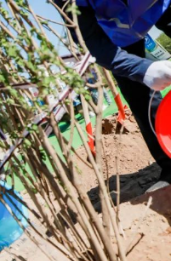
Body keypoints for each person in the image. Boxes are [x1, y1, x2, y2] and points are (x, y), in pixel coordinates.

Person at [56, 0, 171, 192]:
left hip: (163, 7)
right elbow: (91, 40)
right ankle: (169, 163)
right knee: (140, 98)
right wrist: (142, 69)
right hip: (117, 37)